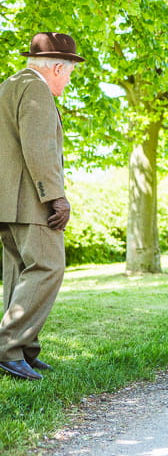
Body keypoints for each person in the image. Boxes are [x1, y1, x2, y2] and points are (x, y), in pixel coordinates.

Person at [0, 32, 84, 381]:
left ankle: (22, 350)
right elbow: (39, 147)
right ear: (55, 67)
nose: (67, 81)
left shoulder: (8, 85)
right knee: (49, 267)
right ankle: (7, 346)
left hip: (8, 200)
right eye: (68, 73)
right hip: (29, 200)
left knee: (19, 272)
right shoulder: (35, 89)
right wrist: (55, 196)